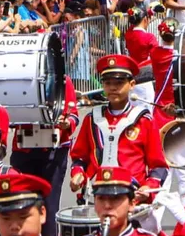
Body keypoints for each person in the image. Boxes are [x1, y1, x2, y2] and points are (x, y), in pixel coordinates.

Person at [68, 55, 168, 216]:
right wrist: (78, 175)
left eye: (119, 83)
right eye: (108, 83)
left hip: (132, 199)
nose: (113, 88)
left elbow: (159, 167)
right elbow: (80, 158)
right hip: (97, 198)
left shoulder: (143, 120)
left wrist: (148, 187)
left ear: (132, 84)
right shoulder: (92, 118)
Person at [9, 76, 79, 236]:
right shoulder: (19, 78)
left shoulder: (62, 80)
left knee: (50, 204)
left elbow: (73, 114)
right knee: (22, 203)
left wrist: (67, 123)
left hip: (55, 147)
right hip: (24, 148)